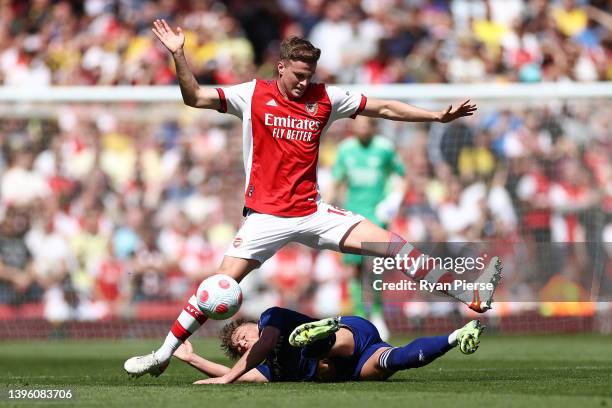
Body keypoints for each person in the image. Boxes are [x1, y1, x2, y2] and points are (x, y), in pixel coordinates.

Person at [124, 19, 501, 378]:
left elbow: (383, 107)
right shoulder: (252, 93)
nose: (305, 83)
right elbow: (195, 97)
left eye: (310, 76)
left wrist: (435, 117)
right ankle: (162, 354)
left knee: (393, 244)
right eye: (298, 75)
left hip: (313, 211)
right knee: (216, 286)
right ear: (280, 66)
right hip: (264, 218)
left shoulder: (326, 98)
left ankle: (467, 293)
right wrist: (178, 54)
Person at [172, 306, 485, 383]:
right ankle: (458, 335)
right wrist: (193, 359)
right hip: (356, 364)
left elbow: (261, 348)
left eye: (242, 337)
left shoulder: (271, 319)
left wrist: (227, 378)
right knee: (397, 360)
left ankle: (320, 337)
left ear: (252, 325)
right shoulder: (272, 369)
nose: (243, 346)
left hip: (348, 335)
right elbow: (241, 374)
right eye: (240, 348)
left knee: (315, 350)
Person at [328, 115, 406, 340]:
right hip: (352, 216)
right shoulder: (346, 149)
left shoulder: (384, 148)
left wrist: (393, 201)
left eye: (365, 125)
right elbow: (337, 181)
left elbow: (401, 177)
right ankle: (361, 317)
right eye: (357, 125)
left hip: (376, 215)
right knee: (354, 270)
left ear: (373, 127)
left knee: (375, 267)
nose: (361, 129)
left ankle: (379, 314)